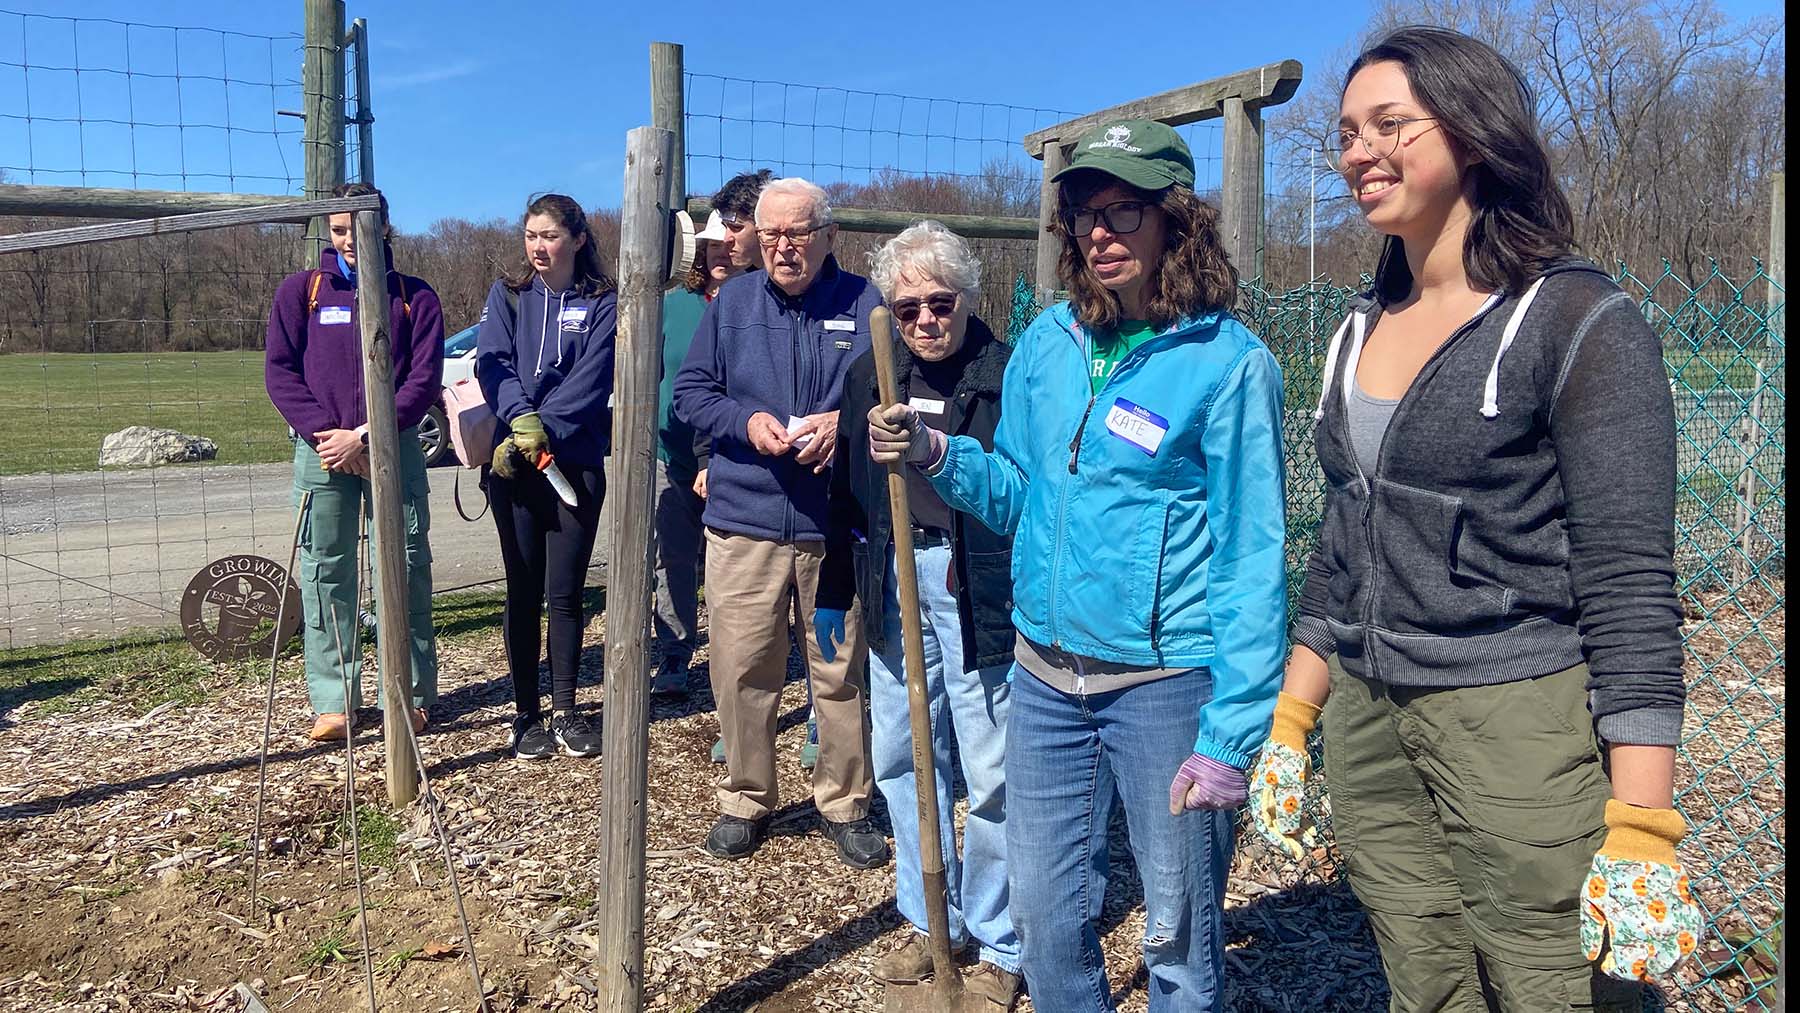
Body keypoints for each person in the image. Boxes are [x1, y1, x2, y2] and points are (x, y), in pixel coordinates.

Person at [1248, 27, 1702, 1011]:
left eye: (1389, 125)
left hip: (1516, 719)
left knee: (1553, 984)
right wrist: (1295, 719)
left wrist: (1642, 821)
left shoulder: (1576, 322)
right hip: (1368, 718)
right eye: (1345, 132)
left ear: (1474, 133)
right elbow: (1342, 543)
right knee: (1423, 970)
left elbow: (1628, 580)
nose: (1357, 151)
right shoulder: (1355, 329)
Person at [870, 120, 1288, 1011]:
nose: (1099, 233)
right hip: (1044, 679)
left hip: (1167, 686)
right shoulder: (1051, 343)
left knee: (1178, 934)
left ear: (1178, 220)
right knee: (1048, 919)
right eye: (1083, 215)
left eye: (1123, 211)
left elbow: (1253, 555)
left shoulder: (1228, 364)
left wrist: (1234, 730)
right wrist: (937, 452)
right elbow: (1020, 489)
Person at [816, 221, 1020, 1005]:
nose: (926, 320)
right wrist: (838, 587)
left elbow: (1015, 488)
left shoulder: (1004, 373)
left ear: (968, 297)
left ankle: (1000, 939)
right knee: (901, 750)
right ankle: (929, 915)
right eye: (908, 308)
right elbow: (845, 493)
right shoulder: (873, 371)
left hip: (977, 585)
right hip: (894, 572)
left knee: (992, 767)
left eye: (941, 302)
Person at [673, 176, 889, 869]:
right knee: (742, 667)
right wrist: (746, 422)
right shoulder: (732, 303)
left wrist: (843, 421)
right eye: (769, 234)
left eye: (797, 232)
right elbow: (691, 394)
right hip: (746, 520)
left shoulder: (865, 303)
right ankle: (746, 794)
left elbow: (895, 388)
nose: (783, 246)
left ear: (829, 236)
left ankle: (845, 799)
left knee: (839, 668)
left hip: (834, 526)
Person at [265, 182, 442, 744]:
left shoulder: (415, 297)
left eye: (359, 228)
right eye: (339, 229)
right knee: (325, 573)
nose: (348, 239)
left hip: (394, 448)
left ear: (383, 227)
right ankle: (334, 699)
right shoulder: (302, 292)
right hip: (321, 454)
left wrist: (367, 437)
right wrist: (329, 436)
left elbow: (422, 380)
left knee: (405, 569)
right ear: (328, 231)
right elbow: (280, 372)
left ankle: (409, 694)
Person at [476, 193, 617, 761]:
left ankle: (566, 709)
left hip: (574, 464)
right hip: (515, 464)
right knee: (522, 589)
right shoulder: (508, 294)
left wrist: (548, 427)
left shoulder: (603, 301)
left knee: (564, 593)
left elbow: (595, 373)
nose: (539, 246)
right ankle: (526, 714)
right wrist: (520, 422)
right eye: (531, 235)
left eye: (550, 236)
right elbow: (493, 361)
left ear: (577, 240)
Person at [652, 209, 739, 699]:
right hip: (673, 452)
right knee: (673, 557)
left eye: (730, 244)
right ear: (698, 251)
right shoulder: (672, 306)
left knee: (733, 566)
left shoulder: (756, 304)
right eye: (712, 246)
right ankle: (673, 651)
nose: (722, 253)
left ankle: (735, 660)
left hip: (737, 455)